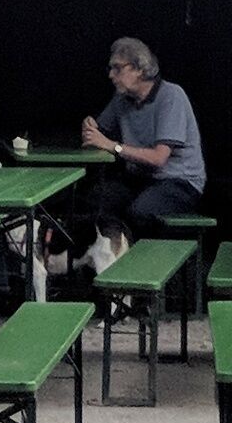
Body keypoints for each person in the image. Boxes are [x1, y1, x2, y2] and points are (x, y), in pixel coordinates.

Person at [79, 36, 206, 260]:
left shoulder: (171, 96)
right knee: (96, 199)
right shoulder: (121, 99)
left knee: (140, 212)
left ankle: (145, 272)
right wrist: (89, 125)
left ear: (139, 69)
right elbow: (100, 131)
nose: (111, 75)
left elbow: (159, 158)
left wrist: (111, 146)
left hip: (179, 181)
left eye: (117, 69)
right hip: (139, 179)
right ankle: (108, 262)